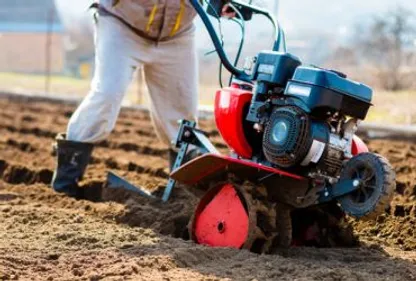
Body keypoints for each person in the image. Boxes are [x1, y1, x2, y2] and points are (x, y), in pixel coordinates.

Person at [51, 0, 235, 198]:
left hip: (176, 35)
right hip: (122, 25)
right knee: (107, 93)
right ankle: (66, 181)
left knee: (182, 113)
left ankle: (184, 191)